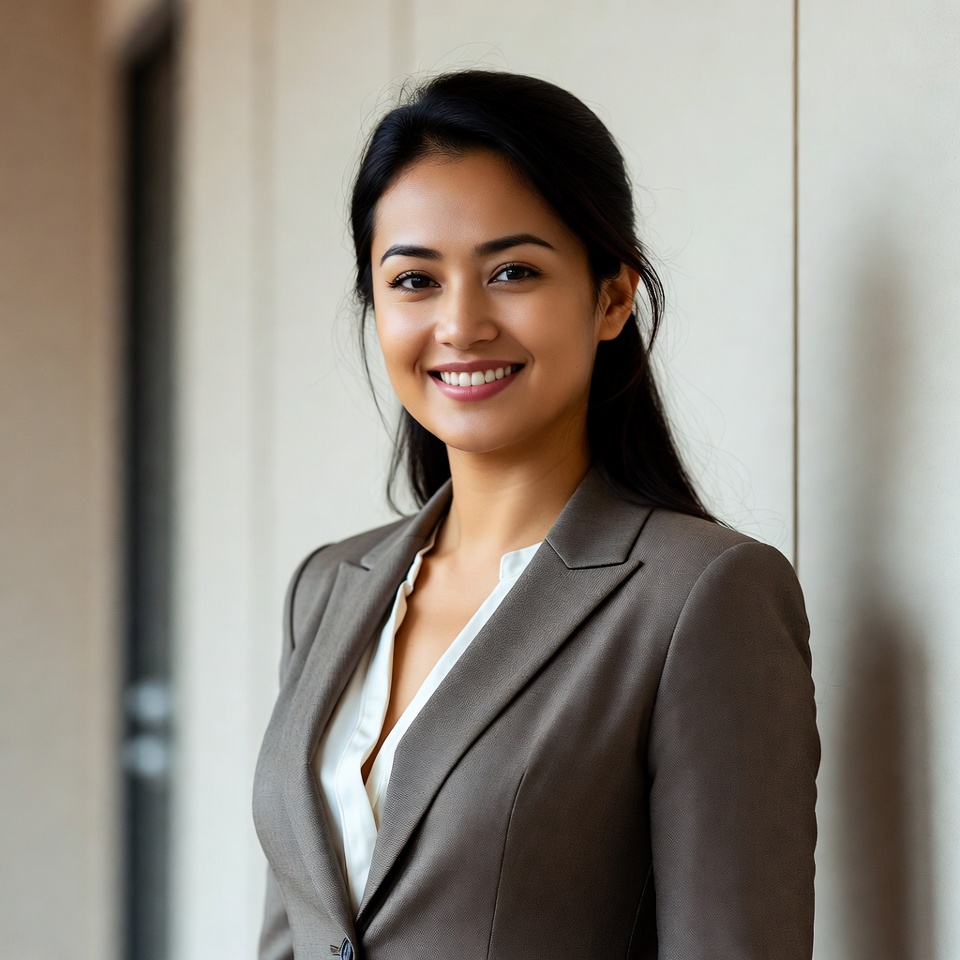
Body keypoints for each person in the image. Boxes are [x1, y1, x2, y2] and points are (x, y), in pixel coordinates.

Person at [253, 70, 819, 960]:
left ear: (611, 297)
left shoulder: (702, 597)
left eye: (512, 271)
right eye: (414, 281)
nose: (462, 324)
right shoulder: (328, 587)